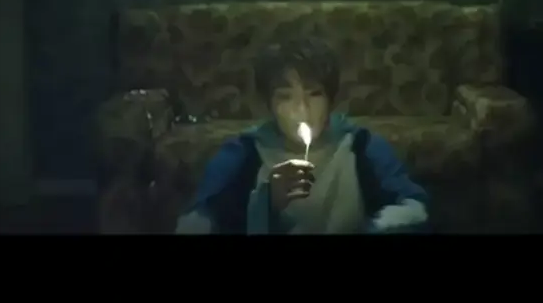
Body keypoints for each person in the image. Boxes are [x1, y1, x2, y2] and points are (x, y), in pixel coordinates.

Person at [175, 36, 430, 234]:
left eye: (314, 94)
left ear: (331, 99)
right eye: (285, 97)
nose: (302, 109)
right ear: (269, 104)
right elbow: (202, 220)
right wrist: (266, 204)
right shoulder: (243, 152)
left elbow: (414, 208)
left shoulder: (362, 145)